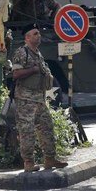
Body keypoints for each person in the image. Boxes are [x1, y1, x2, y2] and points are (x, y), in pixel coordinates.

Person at [10, 23, 68, 172]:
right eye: (35, 34)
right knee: (27, 131)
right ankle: (28, 162)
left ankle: (50, 159)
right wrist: (33, 70)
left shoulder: (38, 53)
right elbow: (15, 74)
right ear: (27, 37)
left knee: (47, 128)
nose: (39, 35)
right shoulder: (22, 53)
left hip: (40, 99)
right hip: (26, 99)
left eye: (39, 33)